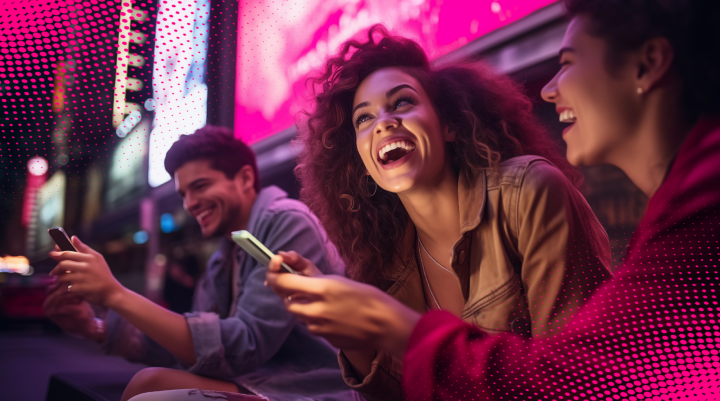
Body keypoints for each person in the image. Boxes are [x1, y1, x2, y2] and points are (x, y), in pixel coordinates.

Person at [267, 1, 720, 399]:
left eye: (402, 103)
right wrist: (353, 335)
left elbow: (576, 382)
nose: (383, 123)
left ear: (448, 124)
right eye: (364, 119)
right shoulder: (381, 260)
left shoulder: (533, 193)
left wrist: (391, 325)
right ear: (360, 160)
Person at [44, 125, 353, 401]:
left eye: (200, 186)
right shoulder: (225, 252)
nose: (189, 203)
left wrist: (115, 295)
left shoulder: (286, 219)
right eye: (183, 193)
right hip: (259, 381)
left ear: (245, 178)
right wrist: (94, 327)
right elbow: (192, 350)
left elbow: (245, 346)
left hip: (310, 389)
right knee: (150, 384)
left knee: (148, 386)